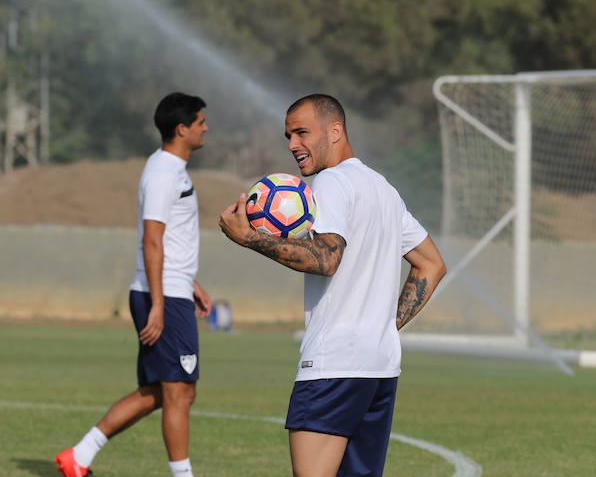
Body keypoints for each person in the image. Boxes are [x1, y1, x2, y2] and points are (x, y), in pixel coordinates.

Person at [219, 94, 446, 477]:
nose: (292, 145)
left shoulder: (332, 182)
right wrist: (382, 326)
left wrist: (249, 238)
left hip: (334, 365)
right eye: (288, 135)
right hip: (379, 366)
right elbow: (432, 264)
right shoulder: (382, 188)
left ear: (335, 130)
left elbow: (326, 259)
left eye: (302, 132)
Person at [55, 92, 213, 477]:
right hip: (162, 297)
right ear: (182, 128)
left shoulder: (171, 169)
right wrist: (159, 303)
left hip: (172, 289)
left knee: (166, 392)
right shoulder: (163, 172)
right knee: (178, 392)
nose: (206, 127)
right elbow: (151, 239)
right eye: (200, 121)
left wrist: (190, 282)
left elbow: (169, 240)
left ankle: (79, 456)